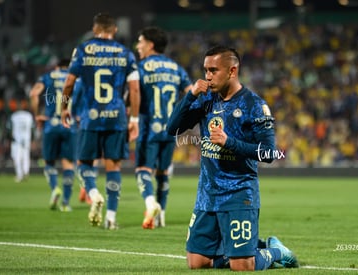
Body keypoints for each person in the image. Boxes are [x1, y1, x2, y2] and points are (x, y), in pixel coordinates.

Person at [167, 45, 298, 271]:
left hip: (239, 193)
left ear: (232, 71)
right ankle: (243, 248)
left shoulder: (254, 106)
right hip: (207, 193)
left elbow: (270, 153)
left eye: (213, 70)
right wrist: (190, 95)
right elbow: (172, 128)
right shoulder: (205, 100)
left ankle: (276, 251)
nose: (207, 76)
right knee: (196, 263)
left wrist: (229, 142)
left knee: (242, 267)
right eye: (205, 70)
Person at [60, 12, 140, 230]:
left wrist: (64, 107)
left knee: (84, 163)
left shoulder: (83, 50)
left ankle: (94, 193)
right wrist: (134, 118)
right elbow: (134, 89)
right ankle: (111, 217)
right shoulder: (126, 53)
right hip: (117, 118)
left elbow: (68, 83)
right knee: (113, 166)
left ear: (94, 30)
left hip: (90, 117)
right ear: (114, 30)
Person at [134, 26, 193, 229]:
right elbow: (191, 94)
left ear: (150, 44)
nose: (137, 46)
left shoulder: (140, 67)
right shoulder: (176, 68)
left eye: (140, 41)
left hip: (148, 127)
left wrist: (132, 119)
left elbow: (133, 94)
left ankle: (151, 204)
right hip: (170, 128)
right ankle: (162, 215)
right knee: (163, 172)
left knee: (143, 169)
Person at [30, 58, 79, 211]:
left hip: (51, 124)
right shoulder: (75, 78)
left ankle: (54, 189)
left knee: (49, 162)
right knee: (68, 163)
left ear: (56, 66)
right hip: (69, 125)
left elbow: (34, 94)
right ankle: (65, 202)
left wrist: (37, 114)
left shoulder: (48, 76)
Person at [8, 102, 34, 183]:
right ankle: (26, 172)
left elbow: (9, 128)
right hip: (26, 139)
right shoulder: (29, 115)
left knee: (17, 158)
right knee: (25, 157)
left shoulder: (14, 116)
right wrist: (32, 139)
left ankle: (19, 175)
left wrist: (10, 137)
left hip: (17, 140)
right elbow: (33, 128)